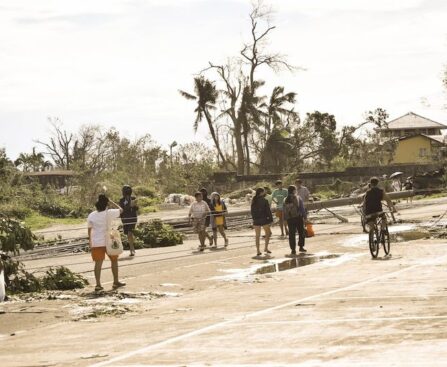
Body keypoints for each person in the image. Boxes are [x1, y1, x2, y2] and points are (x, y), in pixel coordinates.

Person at [87, 194, 126, 292]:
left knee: (98, 264)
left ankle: (98, 285)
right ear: (106, 204)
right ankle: (115, 282)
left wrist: (90, 242)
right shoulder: (109, 213)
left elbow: (89, 230)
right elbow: (121, 210)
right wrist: (112, 201)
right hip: (109, 241)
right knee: (114, 261)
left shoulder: (91, 215)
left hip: (96, 242)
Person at [284, 185, 307, 254]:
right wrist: (305, 217)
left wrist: (285, 219)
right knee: (301, 232)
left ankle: (293, 250)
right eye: (295, 189)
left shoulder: (285, 199)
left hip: (290, 219)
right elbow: (302, 209)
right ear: (294, 190)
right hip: (298, 217)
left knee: (291, 234)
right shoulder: (298, 198)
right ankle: (301, 247)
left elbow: (284, 210)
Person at [251, 187, 273, 256]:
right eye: (263, 191)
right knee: (268, 233)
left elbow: (252, 211)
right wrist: (271, 220)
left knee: (257, 236)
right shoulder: (264, 200)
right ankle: (266, 248)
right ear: (261, 192)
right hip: (264, 219)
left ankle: (258, 251)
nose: (264, 192)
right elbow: (268, 211)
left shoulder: (253, 200)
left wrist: (254, 218)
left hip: (256, 220)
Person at [119, 185, 138, 256]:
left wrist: (135, 205)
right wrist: (129, 205)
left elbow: (137, 209)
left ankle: (132, 249)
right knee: (128, 234)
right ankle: (132, 248)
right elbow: (122, 210)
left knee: (130, 233)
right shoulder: (122, 200)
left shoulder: (133, 198)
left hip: (132, 218)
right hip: (125, 219)